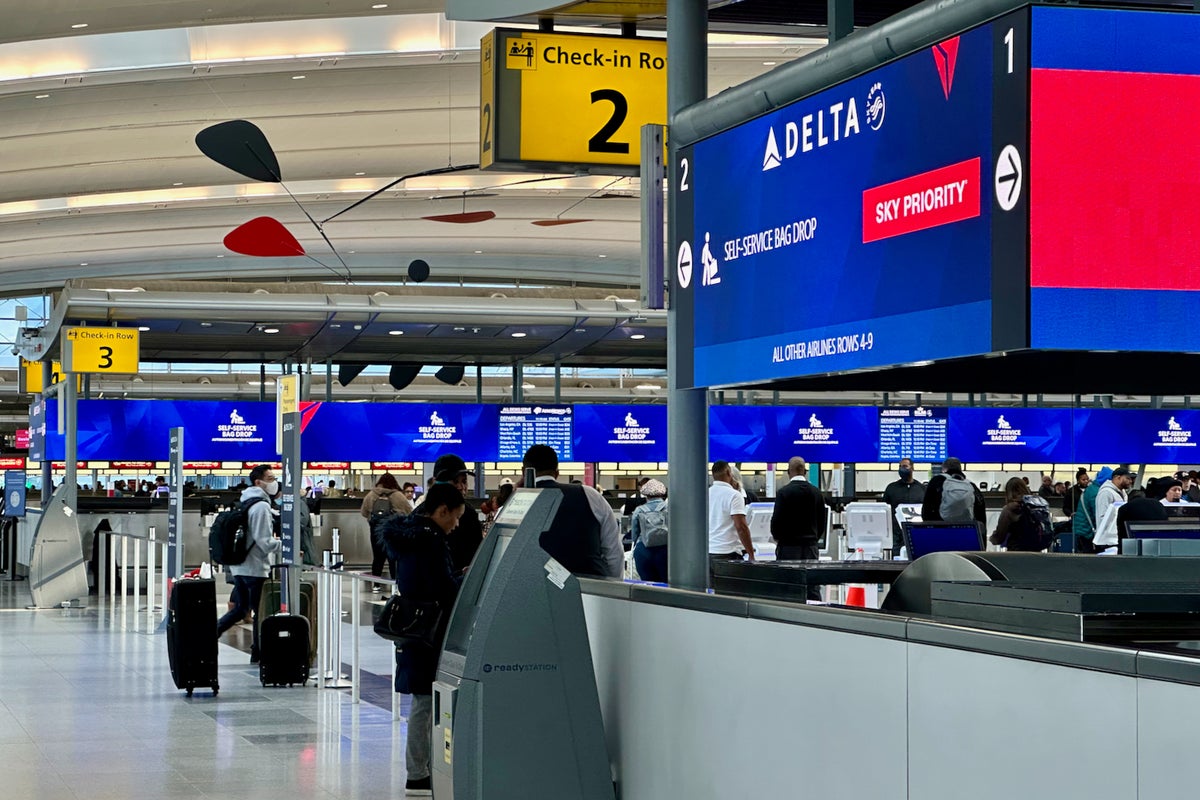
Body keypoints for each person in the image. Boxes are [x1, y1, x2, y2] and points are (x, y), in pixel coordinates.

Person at [379, 483, 467, 798]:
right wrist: (463, 578)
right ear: (442, 510)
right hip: (428, 630)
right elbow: (443, 588)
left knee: (422, 699)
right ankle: (417, 775)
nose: (455, 525)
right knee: (425, 702)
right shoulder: (430, 540)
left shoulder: (408, 535)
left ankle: (421, 771)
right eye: (454, 518)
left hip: (412, 626)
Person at [520, 445, 621, 577]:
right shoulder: (589, 494)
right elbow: (613, 552)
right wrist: (613, 588)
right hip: (589, 588)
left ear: (523, 472)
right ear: (557, 472)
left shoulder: (515, 503)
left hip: (534, 586)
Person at [216, 464, 282, 664]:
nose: (274, 482)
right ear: (258, 482)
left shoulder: (246, 501)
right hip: (254, 568)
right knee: (260, 613)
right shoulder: (261, 506)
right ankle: (258, 652)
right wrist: (285, 546)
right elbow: (264, 542)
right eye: (270, 479)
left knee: (240, 609)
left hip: (240, 565)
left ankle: (210, 634)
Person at [770, 457, 826, 600]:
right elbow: (822, 522)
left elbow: (776, 521)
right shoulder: (816, 492)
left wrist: (778, 539)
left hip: (788, 548)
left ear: (789, 472)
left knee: (788, 585)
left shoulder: (784, 492)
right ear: (805, 472)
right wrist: (813, 539)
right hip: (810, 548)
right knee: (812, 585)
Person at [431, 454, 485, 575]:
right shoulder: (422, 516)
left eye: (464, 481)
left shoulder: (469, 513)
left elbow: (477, 553)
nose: (461, 487)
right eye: (455, 481)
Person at [360, 474, 413, 590]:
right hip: (393, 531)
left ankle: (376, 584)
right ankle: (395, 582)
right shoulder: (398, 496)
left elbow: (363, 512)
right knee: (393, 558)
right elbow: (409, 512)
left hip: (375, 531)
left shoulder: (371, 495)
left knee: (377, 558)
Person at [708, 460, 753, 570]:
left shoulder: (705, 493)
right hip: (728, 553)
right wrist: (751, 553)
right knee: (731, 587)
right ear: (729, 473)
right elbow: (741, 527)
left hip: (708, 552)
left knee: (712, 587)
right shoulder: (734, 495)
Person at [921, 457, 986, 527]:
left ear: (943, 469)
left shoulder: (937, 481)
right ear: (960, 469)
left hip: (941, 529)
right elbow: (981, 514)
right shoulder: (971, 485)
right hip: (966, 530)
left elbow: (926, 510)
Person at [882, 458, 926, 553]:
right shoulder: (892, 488)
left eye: (905, 466)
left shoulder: (921, 489)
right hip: (896, 534)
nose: (902, 469)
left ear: (912, 468)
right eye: (900, 466)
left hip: (916, 533)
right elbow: (884, 510)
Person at [630, 478, 668, 582]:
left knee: (648, 584)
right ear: (662, 493)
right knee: (666, 585)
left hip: (643, 551)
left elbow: (635, 533)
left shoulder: (639, 510)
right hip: (665, 551)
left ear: (646, 494)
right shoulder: (669, 508)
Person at [990, 477, 1040, 551]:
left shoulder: (1009, 508)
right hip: (1036, 550)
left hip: (1017, 551)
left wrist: (991, 539)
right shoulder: (1036, 505)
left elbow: (1000, 536)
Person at [1094, 466, 1136, 551]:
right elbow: (1102, 517)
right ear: (1118, 478)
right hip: (1106, 541)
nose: (1130, 481)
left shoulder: (1123, 493)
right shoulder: (1106, 493)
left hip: (1117, 537)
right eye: (1127, 478)